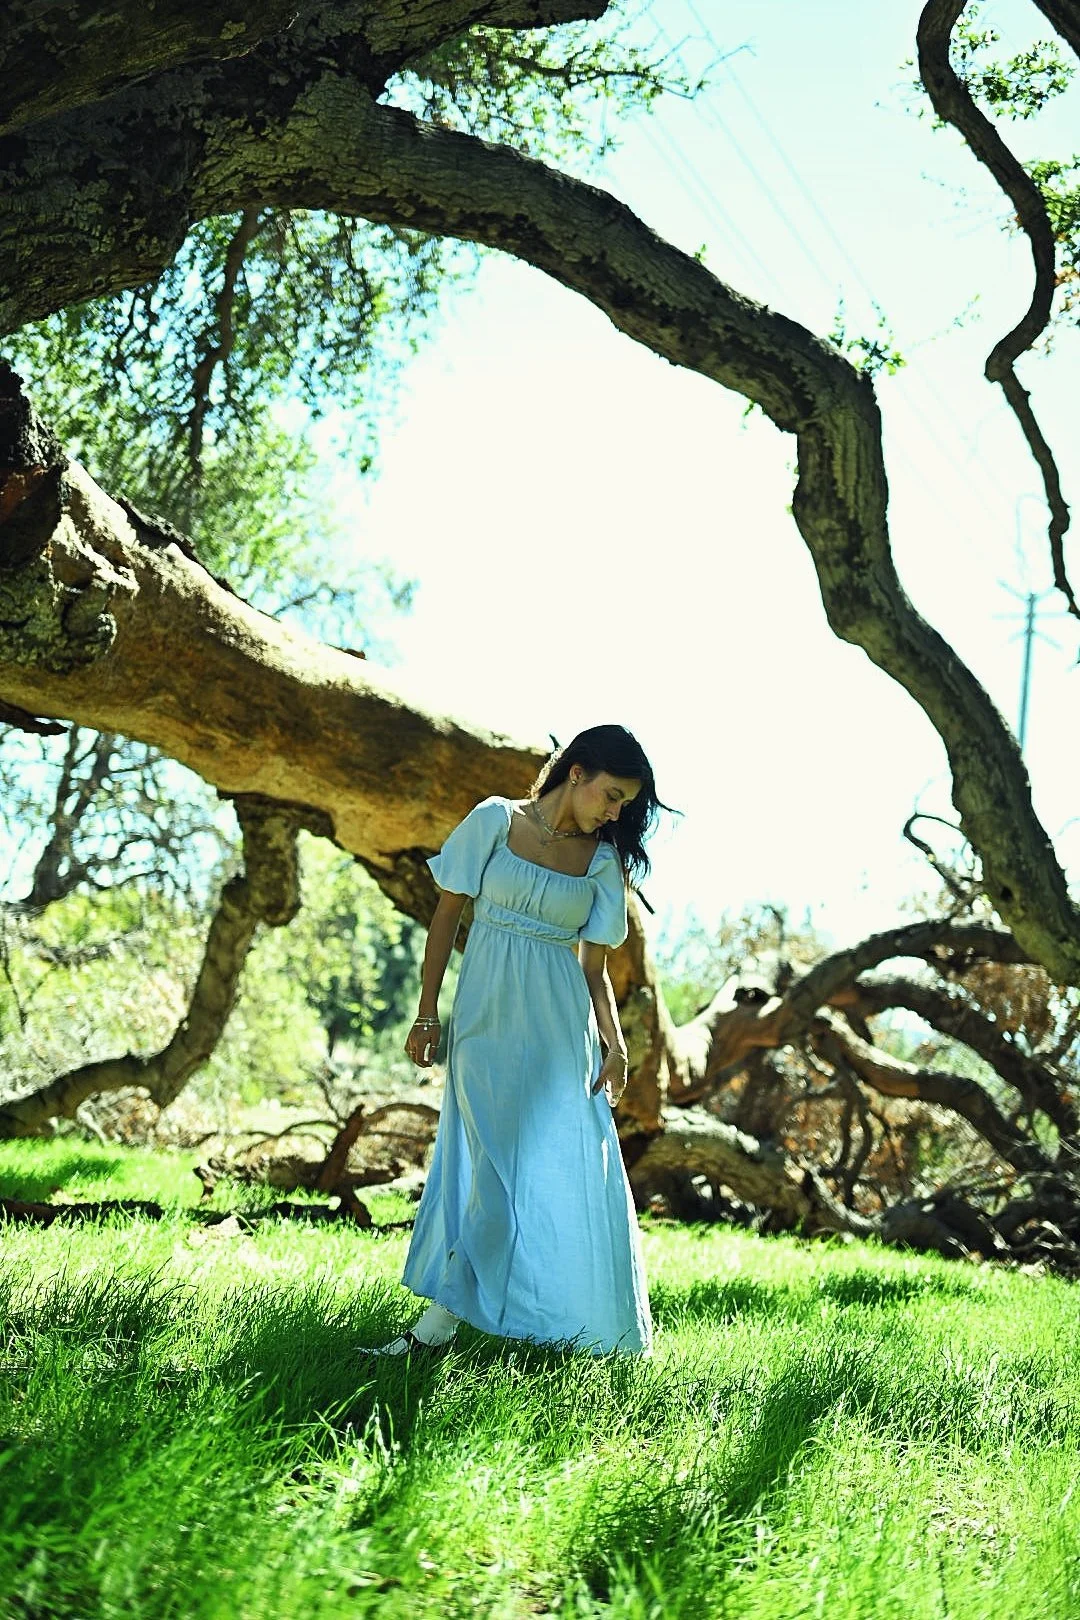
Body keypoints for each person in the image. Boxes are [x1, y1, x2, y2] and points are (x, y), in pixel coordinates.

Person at [368, 724, 669, 1359]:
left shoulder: (604, 862)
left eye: (625, 805)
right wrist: (427, 1015)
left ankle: (434, 1334)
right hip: (484, 1018)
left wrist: (614, 1045)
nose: (615, 813)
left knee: (519, 1170)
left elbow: (594, 968)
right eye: (611, 795)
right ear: (577, 772)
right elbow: (446, 916)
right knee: (489, 1163)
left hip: (559, 1029)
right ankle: (475, 1315)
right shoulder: (494, 821)